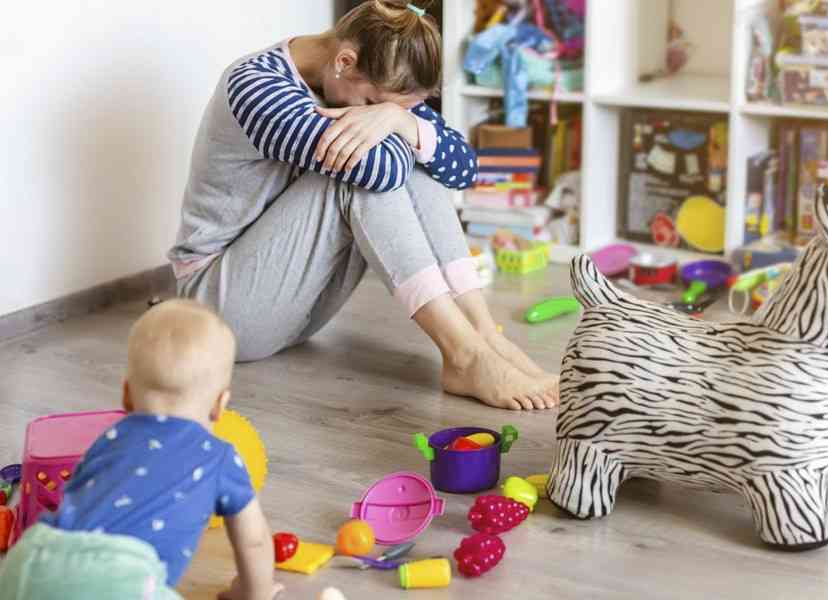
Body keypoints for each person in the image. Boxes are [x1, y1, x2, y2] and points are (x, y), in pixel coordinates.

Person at [168, 0, 558, 411]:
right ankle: (463, 355)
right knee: (363, 173)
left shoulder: (379, 80)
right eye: (375, 103)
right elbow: (382, 173)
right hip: (218, 311)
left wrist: (398, 118)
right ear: (345, 61)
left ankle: (482, 334)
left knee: (417, 156)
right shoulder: (257, 86)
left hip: (293, 306)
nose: (378, 114)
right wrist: (403, 127)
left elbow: (463, 169)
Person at [0, 300, 281, 600]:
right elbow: (254, 542)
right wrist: (252, 592)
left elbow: (76, 493)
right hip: (122, 580)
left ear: (126, 395)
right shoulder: (220, 456)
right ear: (220, 404)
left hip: (33, 558)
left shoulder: (110, 437)